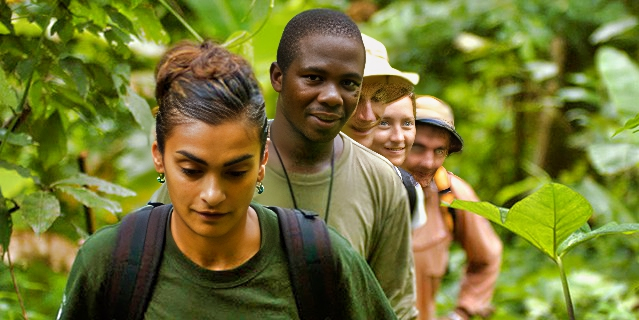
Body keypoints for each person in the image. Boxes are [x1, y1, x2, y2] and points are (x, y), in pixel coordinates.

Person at [57, 40, 397, 319]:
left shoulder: (319, 260)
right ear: (159, 156)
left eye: (235, 172)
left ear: (262, 160)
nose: (213, 194)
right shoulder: (113, 263)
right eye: (191, 170)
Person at [257, 9, 417, 319]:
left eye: (348, 83)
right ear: (278, 76)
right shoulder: (223, 161)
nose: (332, 97)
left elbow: (394, 305)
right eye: (314, 78)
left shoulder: (382, 180)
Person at [402, 95, 503, 320]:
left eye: (439, 151)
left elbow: (487, 257)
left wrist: (462, 312)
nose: (428, 162)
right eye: (418, 147)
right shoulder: (367, 182)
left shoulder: (451, 194)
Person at [342, 33, 426, 229]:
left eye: (379, 97)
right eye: (354, 96)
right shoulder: (273, 162)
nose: (368, 116)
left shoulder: (402, 188)